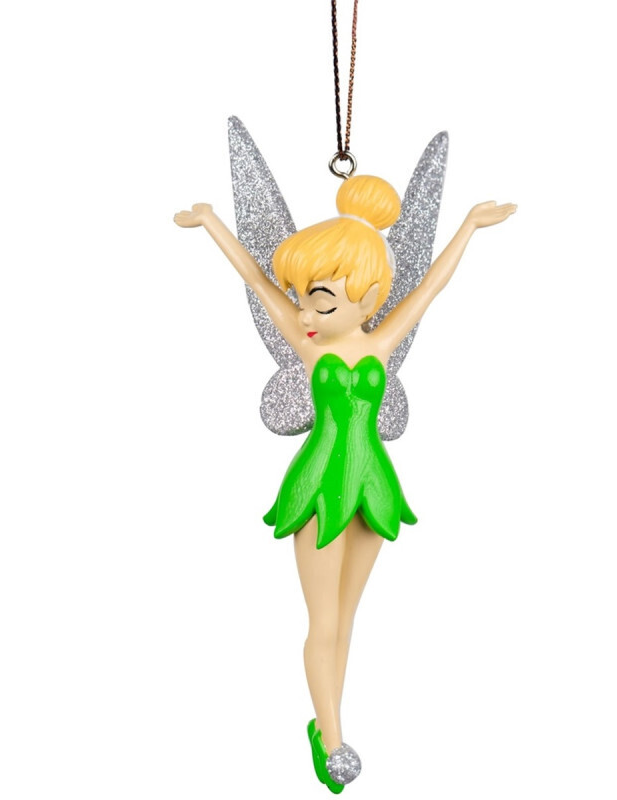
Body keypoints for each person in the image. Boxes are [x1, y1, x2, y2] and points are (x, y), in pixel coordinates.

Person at [175, 175, 515, 791]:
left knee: (348, 617)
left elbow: (431, 286)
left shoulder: (382, 343)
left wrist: (468, 224)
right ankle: (332, 739)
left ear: (369, 298)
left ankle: (326, 720)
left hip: (373, 485)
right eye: (302, 299)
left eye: (322, 302)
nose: (304, 314)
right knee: (324, 621)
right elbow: (255, 279)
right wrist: (211, 222)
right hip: (320, 487)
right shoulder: (310, 350)